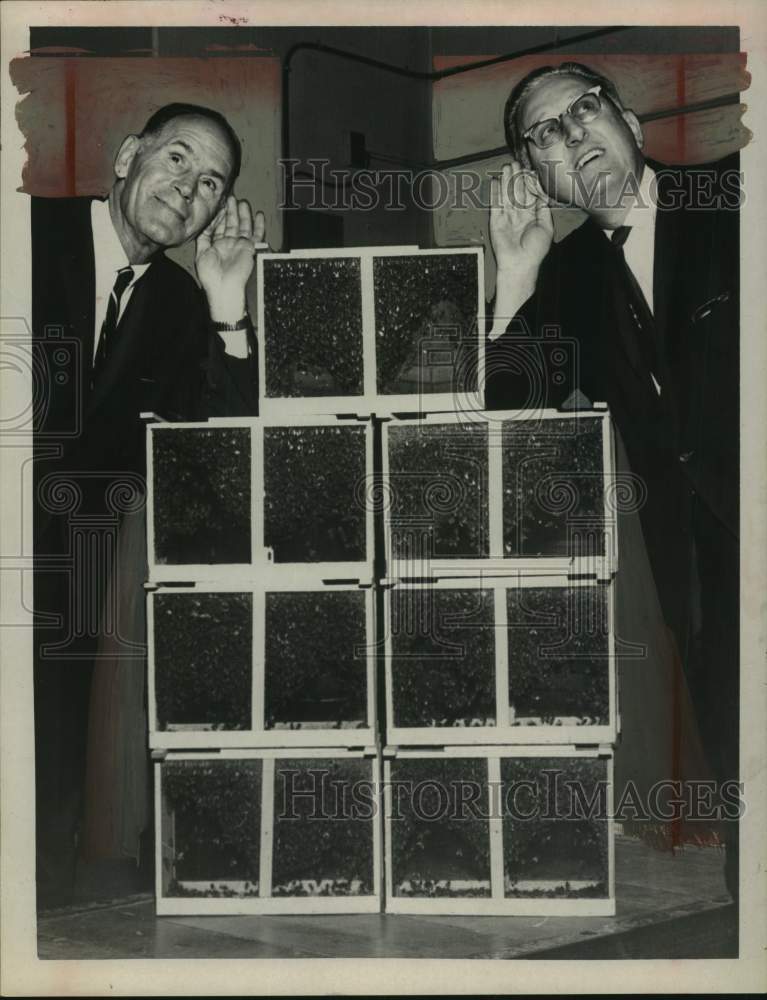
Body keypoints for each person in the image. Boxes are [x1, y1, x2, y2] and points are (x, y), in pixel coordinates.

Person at [485, 63, 739, 894]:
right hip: (694, 562)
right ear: (536, 176)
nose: (572, 138)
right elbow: (500, 409)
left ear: (629, 120)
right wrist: (515, 275)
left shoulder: (737, 194)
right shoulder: (567, 275)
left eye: (584, 112)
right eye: (544, 136)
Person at [32, 103, 265, 907]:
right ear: (128, 155)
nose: (188, 189)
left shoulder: (178, 300)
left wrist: (228, 303)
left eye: (210, 183)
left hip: (71, 589)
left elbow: (225, 447)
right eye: (177, 160)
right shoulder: (26, 234)